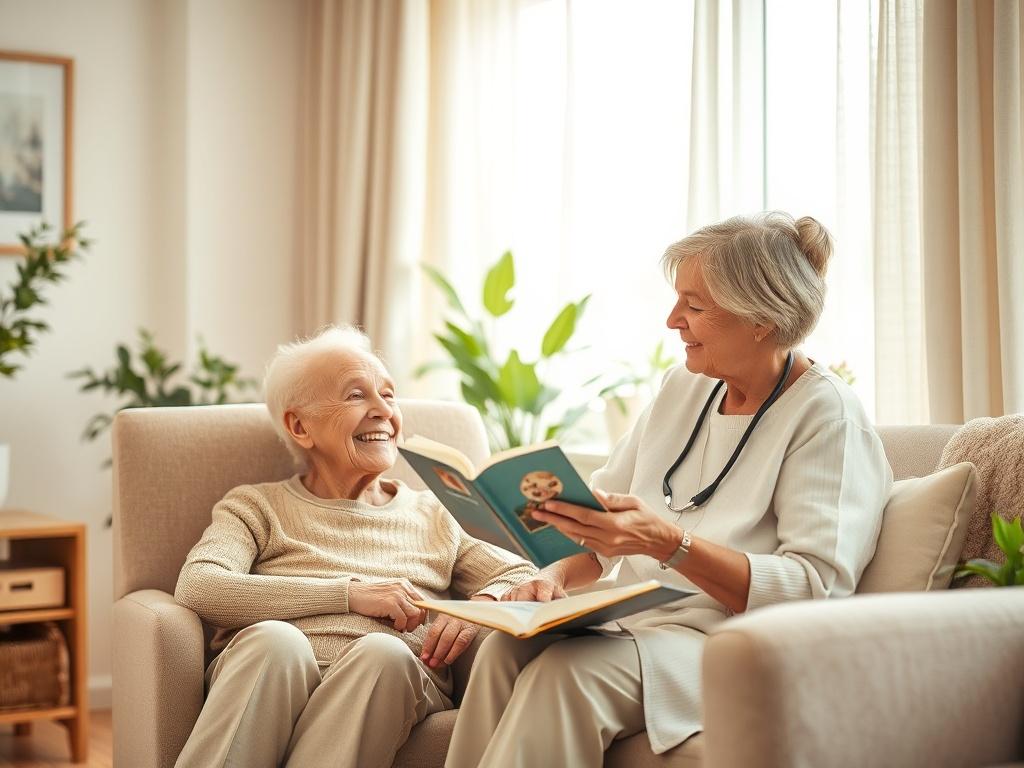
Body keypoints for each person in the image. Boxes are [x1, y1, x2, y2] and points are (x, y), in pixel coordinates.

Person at [445, 212, 894, 767]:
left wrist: (669, 544)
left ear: (762, 319)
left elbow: (814, 589)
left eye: (695, 305)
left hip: (736, 644)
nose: (672, 319)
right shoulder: (685, 386)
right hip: (635, 622)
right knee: (503, 653)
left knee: (566, 676)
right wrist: (552, 574)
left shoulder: (828, 416)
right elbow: (600, 519)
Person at [173, 325, 536, 768]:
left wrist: (484, 603)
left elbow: (522, 574)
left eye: (389, 394)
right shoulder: (257, 505)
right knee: (275, 641)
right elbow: (200, 587)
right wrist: (350, 592)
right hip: (272, 675)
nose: (383, 410)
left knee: (384, 654)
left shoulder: (431, 515)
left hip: (387, 681)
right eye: (355, 395)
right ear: (300, 426)